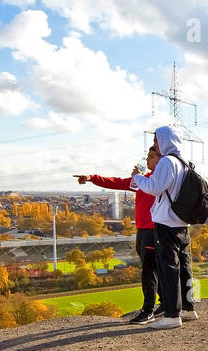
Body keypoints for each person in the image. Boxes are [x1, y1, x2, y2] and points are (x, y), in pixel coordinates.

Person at [75, 144, 162, 324]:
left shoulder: (159, 181)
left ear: (162, 161)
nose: (147, 159)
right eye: (147, 155)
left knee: (149, 271)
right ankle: (166, 302)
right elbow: (116, 182)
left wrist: (137, 177)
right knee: (152, 268)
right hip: (143, 230)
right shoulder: (144, 179)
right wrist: (92, 178)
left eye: (152, 157)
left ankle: (148, 310)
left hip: (154, 230)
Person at [131, 126, 198, 329]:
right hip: (182, 223)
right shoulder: (184, 163)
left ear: (165, 140)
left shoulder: (167, 162)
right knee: (185, 267)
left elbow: (153, 188)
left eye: (157, 139)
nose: (155, 143)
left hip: (167, 223)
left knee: (168, 268)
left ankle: (171, 315)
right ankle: (188, 308)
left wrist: (138, 177)